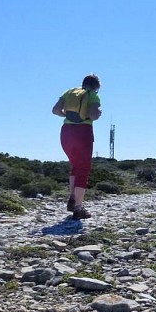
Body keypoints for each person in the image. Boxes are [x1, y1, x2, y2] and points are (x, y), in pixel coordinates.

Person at [52, 74, 102, 220]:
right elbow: (93, 116)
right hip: (83, 132)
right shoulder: (92, 96)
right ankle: (78, 207)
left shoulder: (69, 92)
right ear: (96, 87)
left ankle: (73, 197)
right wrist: (97, 113)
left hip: (66, 132)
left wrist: (70, 116)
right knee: (83, 169)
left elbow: (55, 110)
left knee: (75, 166)